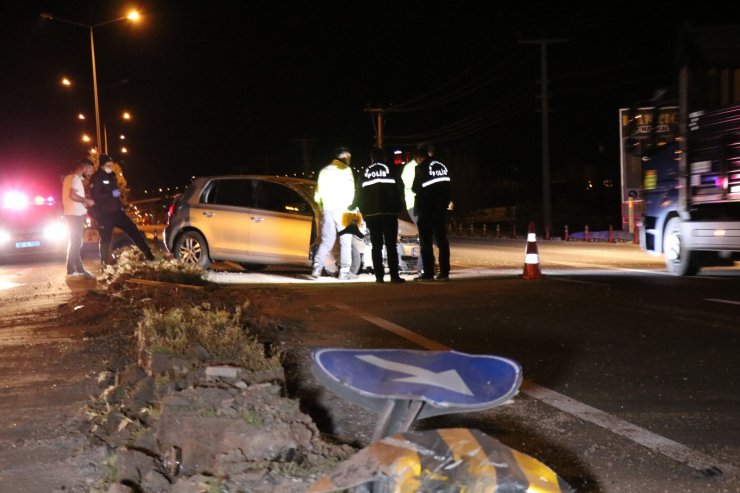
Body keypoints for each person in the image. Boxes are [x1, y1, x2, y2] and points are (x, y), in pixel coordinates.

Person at [89, 154, 154, 267]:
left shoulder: (112, 175)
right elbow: (95, 196)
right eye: (109, 164)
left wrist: (121, 205)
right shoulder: (96, 177)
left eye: (112, 164)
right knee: (106, 240)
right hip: (104, 214)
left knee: (134, 230)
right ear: (102, 165)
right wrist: (110, 194)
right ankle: (104, 265)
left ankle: (149, 255)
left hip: (117, 212)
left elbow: (116, 194)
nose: (111, 166)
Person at [357, 147, 406, 283]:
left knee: (376, 245)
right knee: (391, 245)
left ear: (372, 158)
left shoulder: (365, 172)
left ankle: (379, 276)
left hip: (372, 214)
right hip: (390, 213)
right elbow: (400, 189)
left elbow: (359, 194)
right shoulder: (392, 170)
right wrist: (399, 206)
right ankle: (394, 276)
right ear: (384, 157)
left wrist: (364, 211)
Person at [311, 146, 358, 280]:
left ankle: (317, 267)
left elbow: (317, 195)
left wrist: (322, 207)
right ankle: (344, 271)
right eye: (349, 157)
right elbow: (351, 192)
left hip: (327, 209)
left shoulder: (323, 171)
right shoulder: (346, 170)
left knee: (327, 240)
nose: (349, 160)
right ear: (345, 157)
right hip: (343, 209)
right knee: (346, 241)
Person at [412, 142, 451, 281]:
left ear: (420, 157)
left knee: (426, 242)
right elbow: (448, 187)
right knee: (442, 241)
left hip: (426, 209)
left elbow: (415, 188)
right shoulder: (442, 166)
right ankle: (444, 273)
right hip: (441, 209)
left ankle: (428, 273)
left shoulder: (421, 168)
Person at [62, 158, 96, 279]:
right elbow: (72, 195)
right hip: (75, 215)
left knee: (75, 242)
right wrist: (86, 200)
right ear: (84, 167)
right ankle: (72, 269)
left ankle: (79, 268)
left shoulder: (68, 178)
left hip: (70, 213)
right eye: (90, 169)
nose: (90, 173)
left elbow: (71, 196)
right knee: (76, 243)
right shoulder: (75, 179)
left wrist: (83, 200)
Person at [400, 154, 424, 274]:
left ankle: (423, 265)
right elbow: (411, 187)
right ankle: (422, 267)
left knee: (424, 234)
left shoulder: (418, 167)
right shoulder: (411, 168)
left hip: (418, 204)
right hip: (414, 205)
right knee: (424, 234)